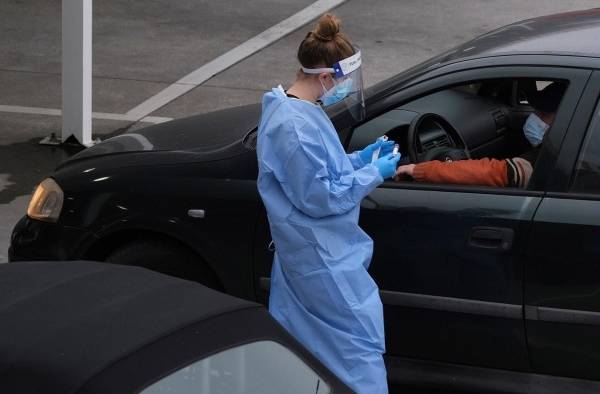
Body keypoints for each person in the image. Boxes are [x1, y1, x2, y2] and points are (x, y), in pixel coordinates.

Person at [256, 13, 399, 394]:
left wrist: (361, 159)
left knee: (309, 352)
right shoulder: (293, 127)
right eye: (342, 79)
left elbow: (322, 172)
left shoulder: (298, 112)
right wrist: (375, 173)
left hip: (316, 254)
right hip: (321, 258)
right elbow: (320, 197)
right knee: (359, 346)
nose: (344, 87)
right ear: (324, 77)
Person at [395, 81, 566, 187]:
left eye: (543, 115)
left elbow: (498, 173)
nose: (534, 119)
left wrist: (420, 170)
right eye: (536, 112)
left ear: (568, 117)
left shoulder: (554, 157)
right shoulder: (578, 144)